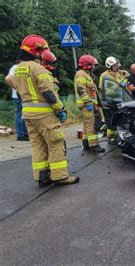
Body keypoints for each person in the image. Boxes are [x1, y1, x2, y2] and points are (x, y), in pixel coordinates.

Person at [11, 35, 78, 186]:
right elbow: (48, 92)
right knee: (56, 142)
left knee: (38, 145)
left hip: (27, 114)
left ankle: (42, 176)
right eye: (41, 51)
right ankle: (60, 176)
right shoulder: (38, 68)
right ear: (36, 51)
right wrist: (60, 108)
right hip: (44, 114)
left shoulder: (18, 69)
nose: (43, 54)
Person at [75, 55, 105, 153]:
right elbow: (81, 90)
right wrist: (88, 102)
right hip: (86, 105)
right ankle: (94, 145)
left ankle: (86, 143)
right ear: (87, 65)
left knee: (86, 125)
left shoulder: (85, 74)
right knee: (91, 125)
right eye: (92, 65)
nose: (93, 67)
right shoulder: (81, 74)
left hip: (88, 104)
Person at [99, 56, 129, 143]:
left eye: (117, 65)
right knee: (111, 120)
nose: (117, 67)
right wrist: (116, 88)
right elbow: (102, 87)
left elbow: (125, 83)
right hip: (110, 100)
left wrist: (126, 78)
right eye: (115, 66)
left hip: (121, 100)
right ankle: (111, 138)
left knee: (122, 119)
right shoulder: (104, 75)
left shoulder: (120, 73)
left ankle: (123, 136)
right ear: (109, 66)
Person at [5, 60, 29, 141]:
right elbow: (8, 78)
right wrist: (17, 89)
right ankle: (21, 134)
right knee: (21, 114)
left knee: (24, 114)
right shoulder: (16, 67)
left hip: (21, 94)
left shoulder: (18, 67)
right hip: (19, 95)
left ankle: (24, 133)